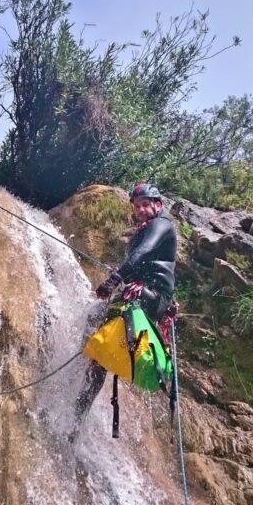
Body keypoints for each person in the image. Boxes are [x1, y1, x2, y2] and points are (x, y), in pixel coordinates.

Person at [73, 182, 178, 431]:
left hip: (152, 297)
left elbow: (144, 252)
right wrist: (124, 278)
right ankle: (78, 410)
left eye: (145, 205)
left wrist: (114, 279)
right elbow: (141, 258)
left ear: (158, 205)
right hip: (138, 294)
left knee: (98, 335)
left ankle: (77, 417)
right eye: (137, 206)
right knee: (96, 328)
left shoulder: (162, 224)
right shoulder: (144, 230)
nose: (140, 210)